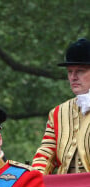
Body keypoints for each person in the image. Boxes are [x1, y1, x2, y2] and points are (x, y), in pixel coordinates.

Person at [32, 38, 90, 174]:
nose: (73, 77)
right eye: (70, 72)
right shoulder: (58, 112)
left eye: (80, 71)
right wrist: (34, 181)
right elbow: (45, 155)